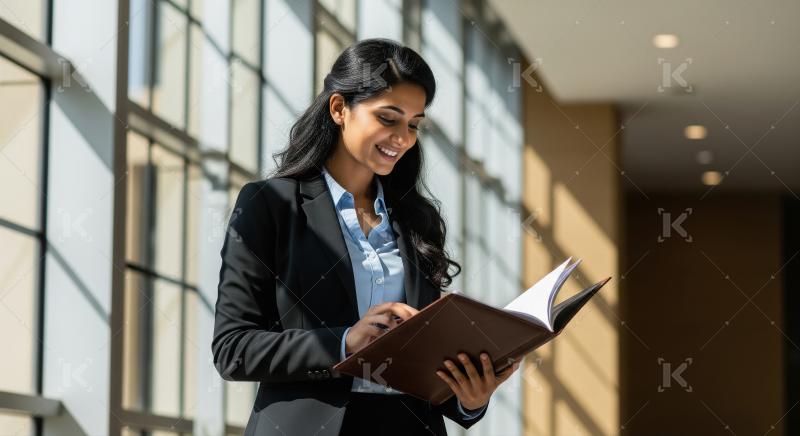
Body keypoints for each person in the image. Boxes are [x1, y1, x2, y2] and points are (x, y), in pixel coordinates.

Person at [212, 38, 520, 436]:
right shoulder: (271, 205)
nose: (404, 138)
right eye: (388, 118)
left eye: (413, 124)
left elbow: (426, 364)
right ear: (339, 109)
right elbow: (233, 349)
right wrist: (344, 342)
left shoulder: (417, 221)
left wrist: (469, 400)